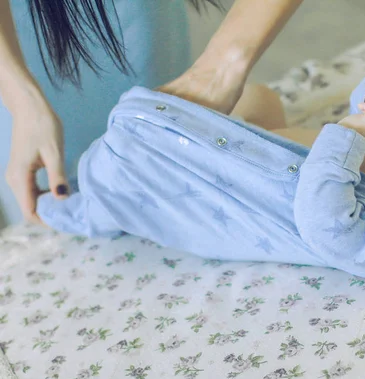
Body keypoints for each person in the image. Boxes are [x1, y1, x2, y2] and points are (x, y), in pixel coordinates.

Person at [34, 74, 365, 280]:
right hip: (268, 142)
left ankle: (68, 210)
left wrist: (353, 133)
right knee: (262, 98)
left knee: (114, 185)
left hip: (216, 195)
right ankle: (263, 121)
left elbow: (319, 211)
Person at [0, 0, 303, 228]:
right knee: (51, 192)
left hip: (134, 20)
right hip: (15, 49)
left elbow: (261, 104)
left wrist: (224, 64)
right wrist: (21, 99)